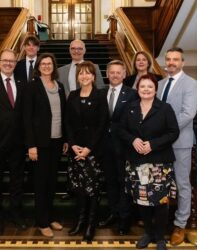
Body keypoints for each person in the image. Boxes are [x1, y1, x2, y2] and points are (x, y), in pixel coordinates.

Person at [119, 74, 179, 250]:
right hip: (137, 162)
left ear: (155, 89)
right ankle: (148, 233)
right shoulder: (129, 107)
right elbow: (120, 129)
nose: (146, 89)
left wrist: (153, 144)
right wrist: (133, 140)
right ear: (138, 89)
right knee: (142, 200)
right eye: (142, 86)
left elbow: (173, 132)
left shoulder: (165, 108)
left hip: (159, 163)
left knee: (160, 202)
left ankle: (160, 237)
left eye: (149, 87)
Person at [23, 53, 68, 237]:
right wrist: (31, 145)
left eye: (50, 64)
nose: (46, 66)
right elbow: (27, 118)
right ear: (38, 66)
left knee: (52, 182)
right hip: (40, 144)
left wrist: (65, 139)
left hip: (57, 141)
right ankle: (42, 222)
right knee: (40, 183)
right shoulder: (31, 87)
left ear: (54, 66)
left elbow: (63, 115)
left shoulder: (60, 87)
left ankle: (49, 217)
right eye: (43, 63)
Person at [0, 49, 27, 234]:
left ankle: (16, 214)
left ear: (16, 63)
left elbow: (26, 113)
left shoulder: (23, 83)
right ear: (0, 62)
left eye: (12, 61)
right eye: (5, 61)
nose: (9, 64)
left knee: (17, 181)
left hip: (18, 142)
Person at [157, 47, 197, 246]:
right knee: (160, 183)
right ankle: (160, 221)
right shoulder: (159, 84)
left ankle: (180, 224)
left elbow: (188, 113)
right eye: (168, 59)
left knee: (182, 184)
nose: (171, 62)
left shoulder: (191, 84)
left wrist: (166, 132)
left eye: (175, 59)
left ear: (182, 62)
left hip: (180, 142)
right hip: (160, 144)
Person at [65, 61, 108, 242]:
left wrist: (89, 148)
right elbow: (67, 122)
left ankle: (91, 224)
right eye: (81, 73)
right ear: (77, 76)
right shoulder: (72, 96)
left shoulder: (100, 96)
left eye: (88, 73)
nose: (84, 76)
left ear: (93, 76)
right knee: (80, 189)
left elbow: (102, 125)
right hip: (75, 149)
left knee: (92, 189)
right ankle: (80, 221)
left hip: (93, 149)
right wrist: (73, 145)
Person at [98, 60, 137, 235]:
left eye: (118, 72)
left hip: (124, 147)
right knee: (110, 182)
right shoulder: (100, 93)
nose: (114, 75)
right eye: (111, 72)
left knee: (124, 182)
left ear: (124, 74)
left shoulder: (133, 94)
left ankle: (124, 218)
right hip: (105, 147)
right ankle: (113, 213)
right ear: (107, 73)